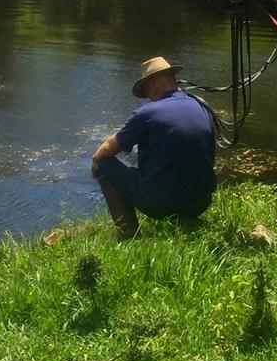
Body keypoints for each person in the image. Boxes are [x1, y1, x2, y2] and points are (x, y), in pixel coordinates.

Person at [91, 56, 217, 238]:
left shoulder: (147, 113)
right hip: (201, 202)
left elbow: (111, 147)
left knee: (105, 165)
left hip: (161, 204)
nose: (148, 98)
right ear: (174, 80)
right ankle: (185, 220)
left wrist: (95, 160)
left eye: (146, 92)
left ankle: (128, 234)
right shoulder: (202, 107)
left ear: (150, 86)